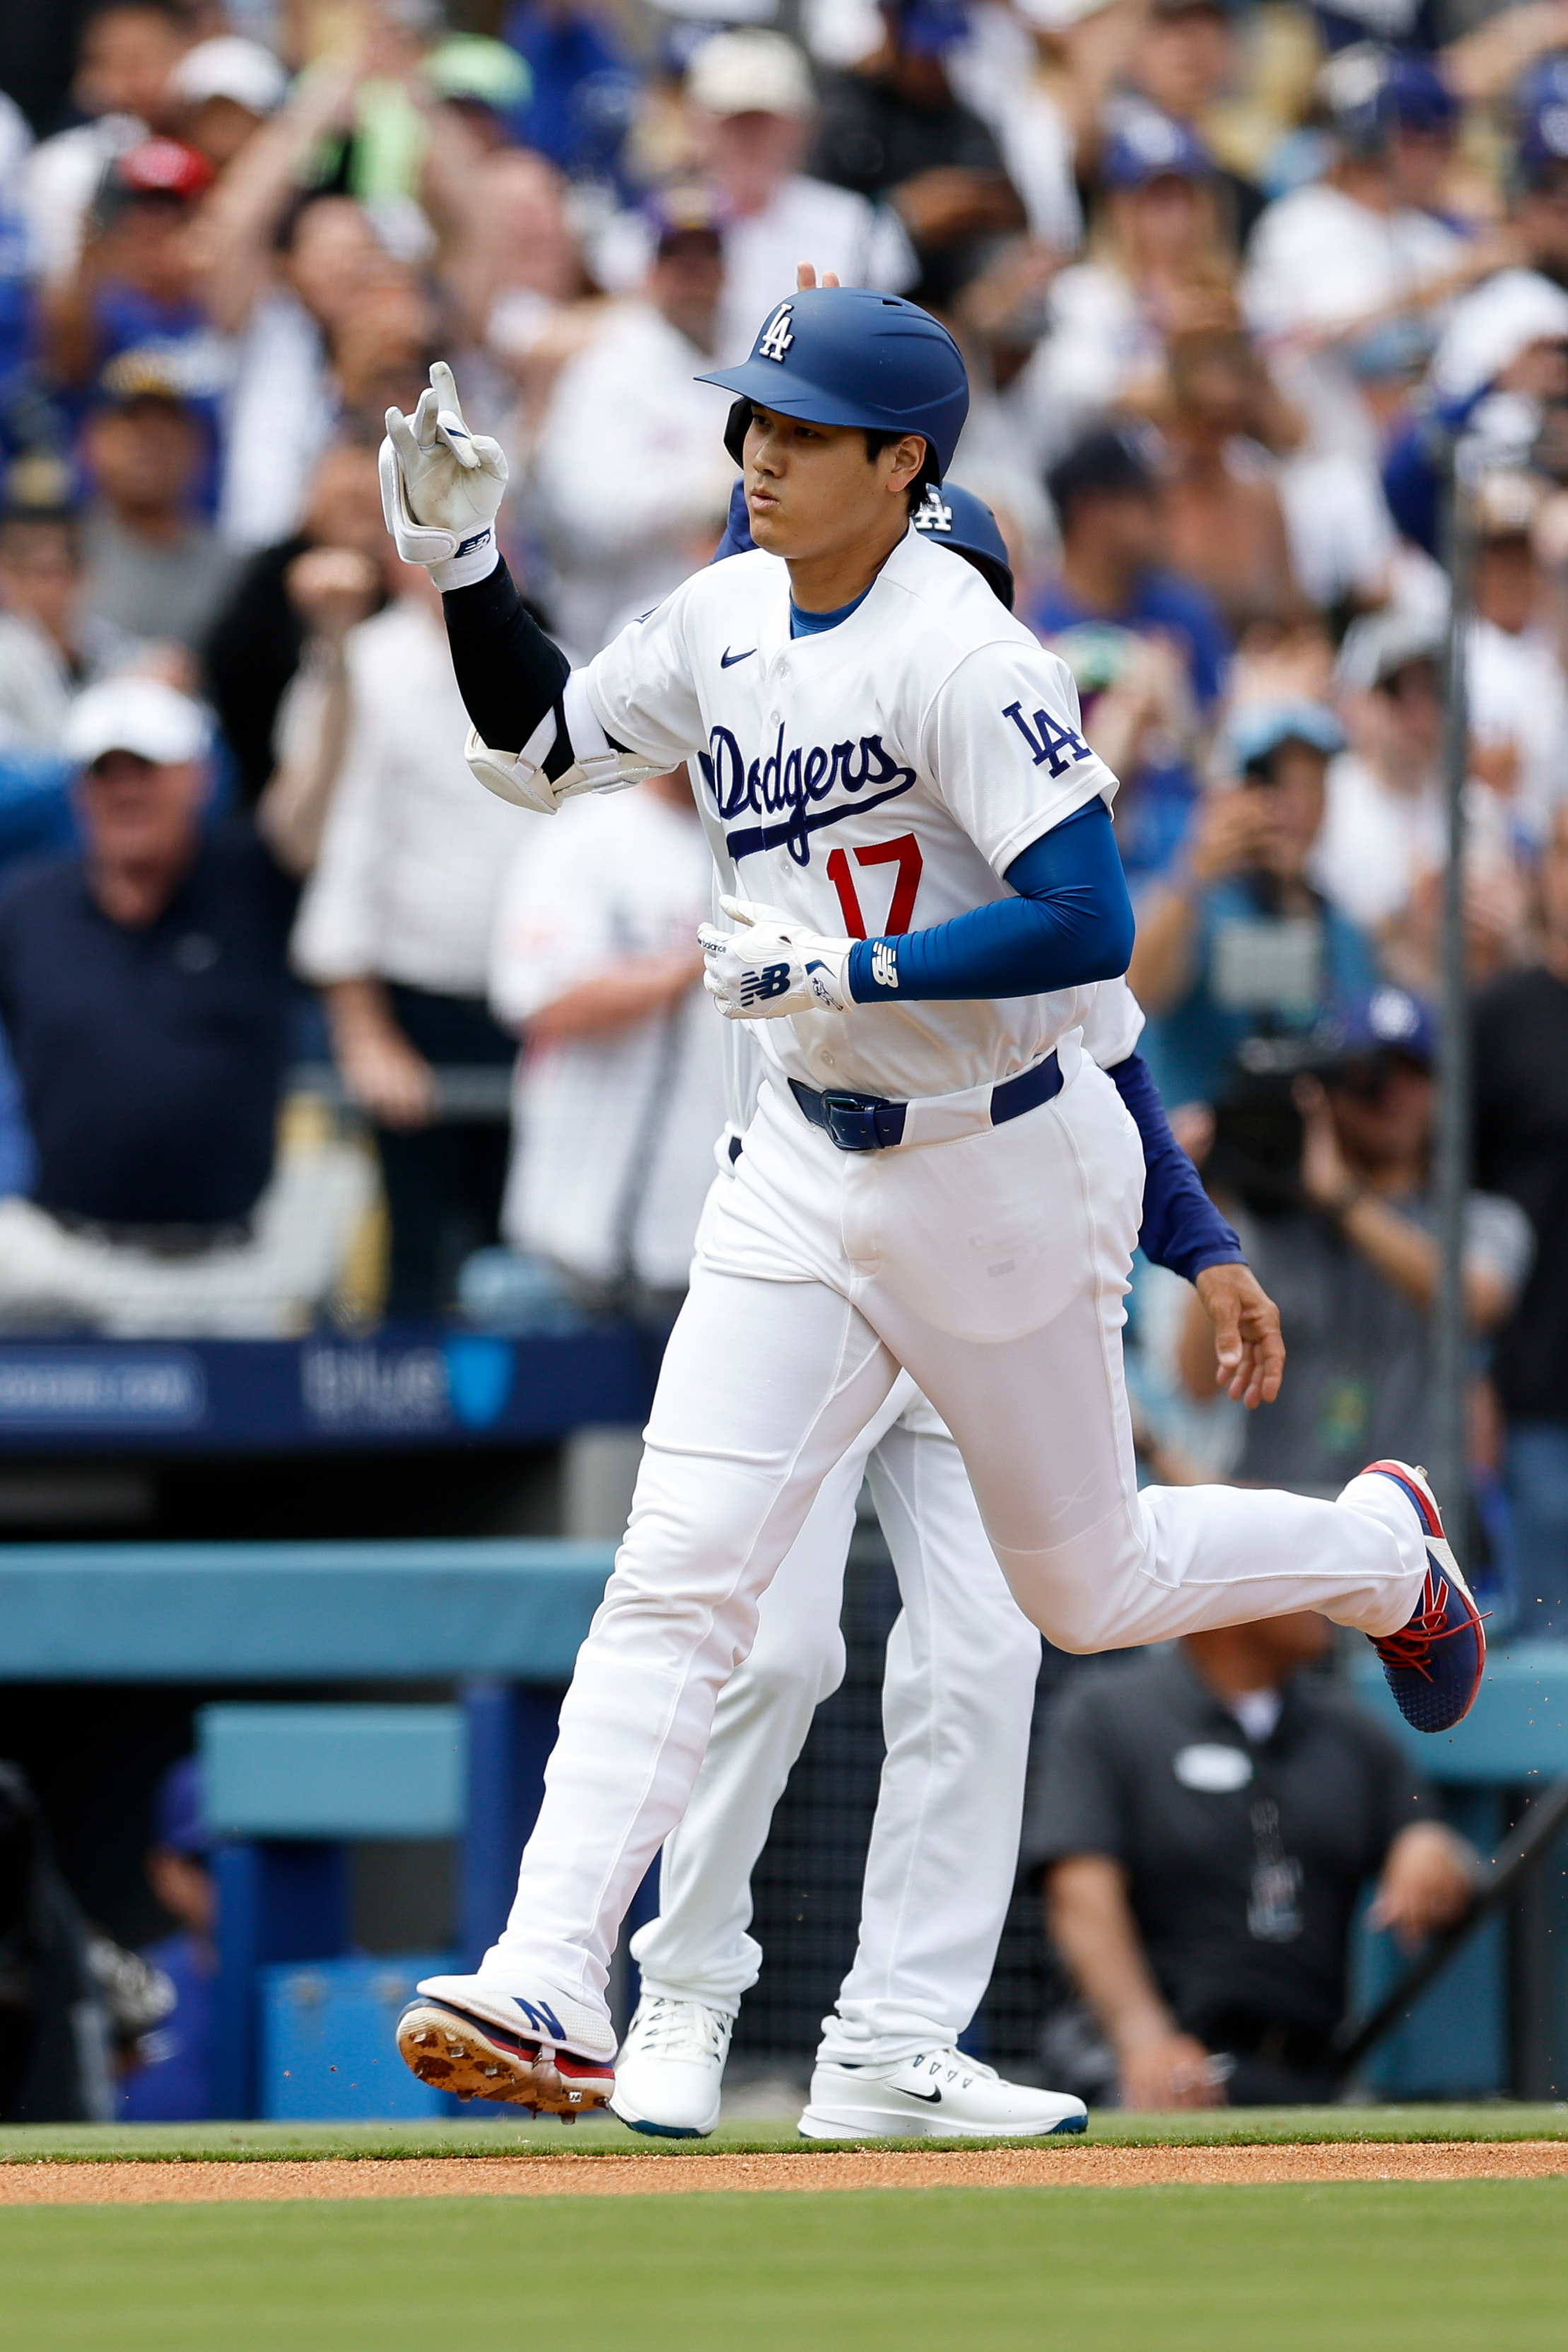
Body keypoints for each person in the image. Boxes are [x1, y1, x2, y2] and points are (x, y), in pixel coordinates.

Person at [380, 287, 1479, 2120]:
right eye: (752, 420)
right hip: (798, 1165)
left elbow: (1088, 919)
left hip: (997, 1161)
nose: (758, 455)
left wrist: (855, 966)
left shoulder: (966, 652)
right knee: (681, 1572)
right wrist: (466, 564)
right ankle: (552, 1972)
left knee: (1082, 1585)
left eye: (802, 433)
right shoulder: (726, 610)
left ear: (904, 464)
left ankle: (1378, 1553)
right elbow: (538, 746)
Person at [609, 488, 1255, 2142]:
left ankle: (896, 2037)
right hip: (817, 1264)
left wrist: (1202, 1248)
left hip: (989, 1280)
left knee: (980, 1649)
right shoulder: (786, 764)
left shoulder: (1017, 825)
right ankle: (683, 1988)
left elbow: (1113, 1062)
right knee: (773, 1646)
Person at [0, 673, 366, 1334]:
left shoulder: (255, 879)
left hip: (236, 1267)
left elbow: (317, 794)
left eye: (146, 768)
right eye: (102, 772)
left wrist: (335, 656)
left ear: (199, 777)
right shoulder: (25, 907)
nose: (124, 790)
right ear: (77, 790)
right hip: (61, 1260)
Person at [1029, 1610, 1475, 2108]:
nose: (1322, 1597)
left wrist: (1429, 1846)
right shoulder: (1107, 1714)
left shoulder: (1351, 1731)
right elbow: (1080, 1896)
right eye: (1298, 1580)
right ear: (1235, 1592)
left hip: (1307, 2076)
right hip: (1140, 2069)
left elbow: (1438, 1845)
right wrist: (1145, 2040)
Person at [1179, 986, 1532, 1494]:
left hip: (1405, 1517)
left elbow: (1473, 1304)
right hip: (1282, 1509)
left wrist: (1339, 1193)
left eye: (1415, 1074)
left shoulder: (1480, 1219)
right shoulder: (1265, 1225)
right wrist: (1205, 1217)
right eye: (1369, 1075)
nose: (1392, 1094)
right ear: (1324, 1091)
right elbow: (1198, 1383)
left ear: (1443, 1091)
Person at [290, 559, 526, 1318]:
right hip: (407, 1010)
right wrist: (363, 1029)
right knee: (410, 1258)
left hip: (537, 1012)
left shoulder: (554, 656)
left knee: (518, 1256)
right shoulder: (361, 666)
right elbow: (342, 844)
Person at [488, 768, 717, 1328]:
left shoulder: (762, 840)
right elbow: (536, 996)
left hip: (715, 1232)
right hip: (580, 1238)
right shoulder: (586, 835)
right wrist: (694, 965)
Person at [1129, 698, 1376, 1112]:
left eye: (1312, 787)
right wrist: (1196, 869)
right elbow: (1140, 988)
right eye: (1276, 786)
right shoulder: (1197, 907)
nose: (1298, 808)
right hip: (1196, 1139)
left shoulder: (1340, 927)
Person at [525, 188, 735, 656]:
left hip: (712, 621)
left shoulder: (738, 354)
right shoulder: (609, 368)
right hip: (618, 630)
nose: (695, 278)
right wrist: (708, 485)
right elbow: (590, 511)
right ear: (653, 272)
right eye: (680, 263)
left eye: (707, 261)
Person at [1475, 808, 1568, 1639]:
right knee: (1547, 1651)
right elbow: (1457, 1203)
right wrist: (1476, 1376)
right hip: (1539, 1387)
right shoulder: (1501, 1017)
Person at [78, 368, 240, 657]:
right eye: (134, 432)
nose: (150, 447)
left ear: (196, 447)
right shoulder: (58, 556)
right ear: (94, 444)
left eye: (165, 431)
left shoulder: (235, 573)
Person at [117, 1756, 216, 2122]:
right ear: (163, 1871)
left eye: (252, 1858)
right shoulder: (131, 1993)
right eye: (205, 1861)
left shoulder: (354, 1990)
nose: (232, 1876)